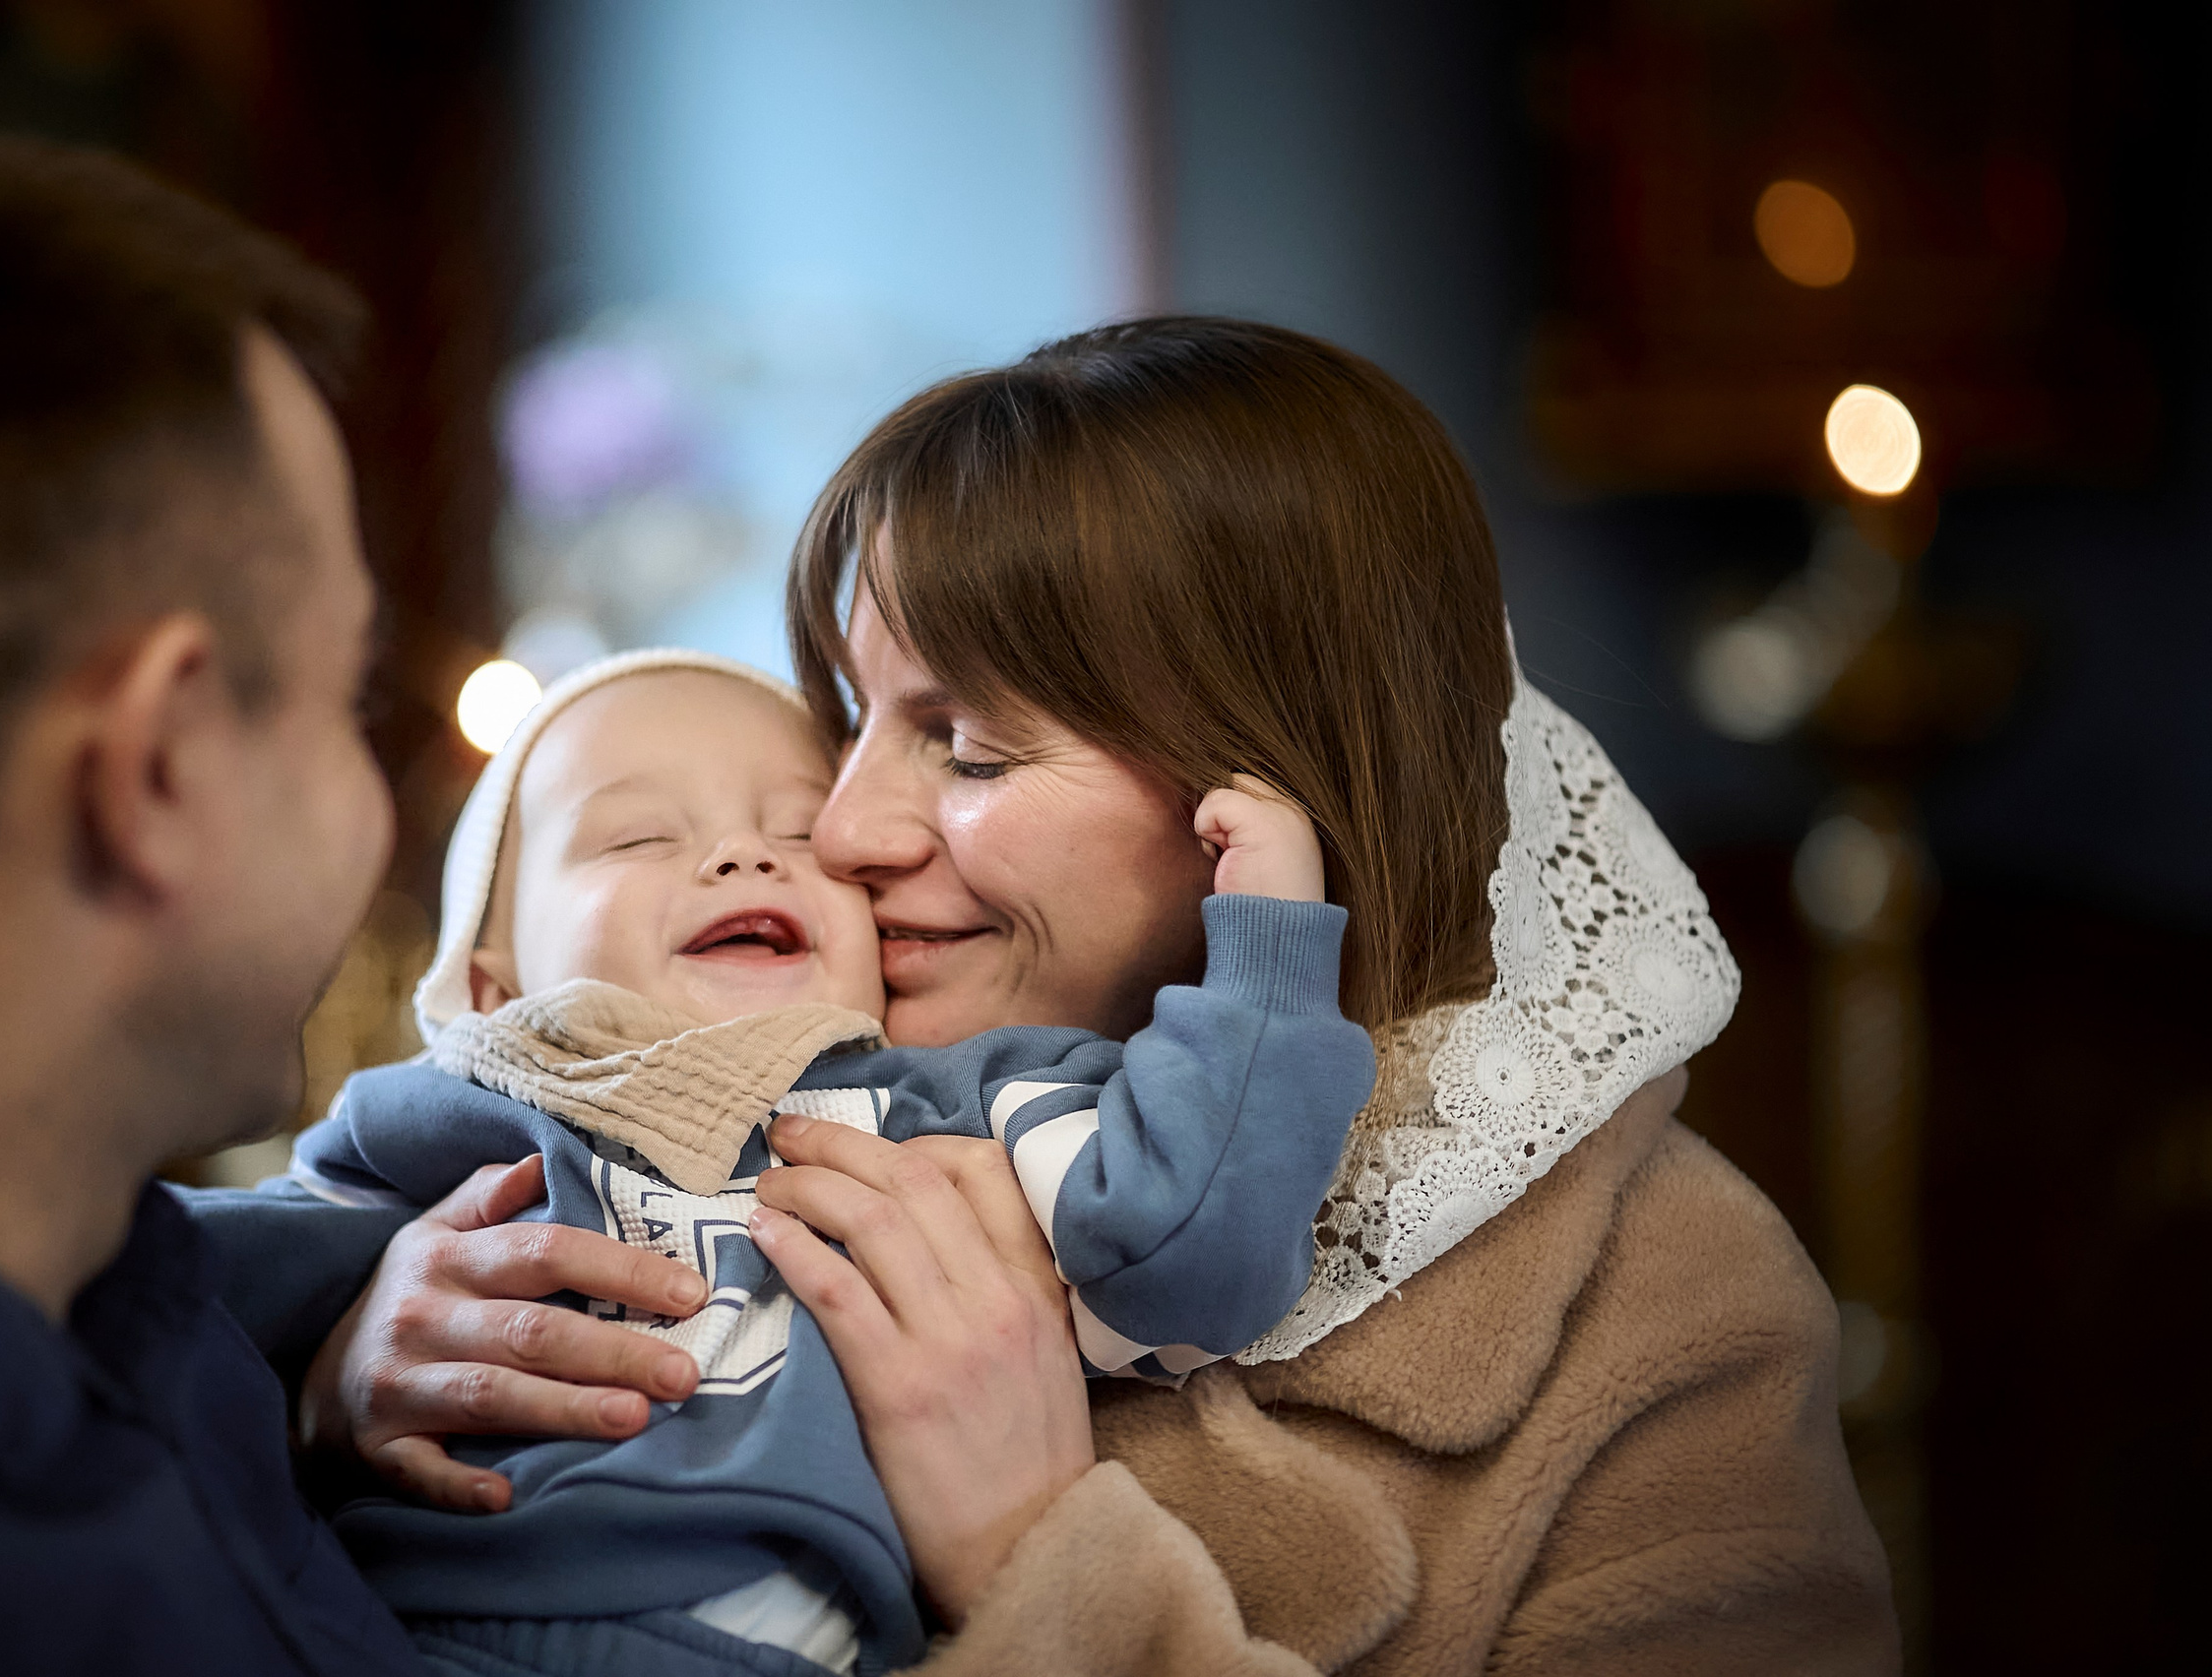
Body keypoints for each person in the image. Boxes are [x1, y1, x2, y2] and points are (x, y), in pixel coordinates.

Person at [273, 319, 1903, 1672]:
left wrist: (1042, 1558)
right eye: (848, 722)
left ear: (1265, 809)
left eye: (968, 748)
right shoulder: (701, 1114)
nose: (840, 830)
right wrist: (343, 1379)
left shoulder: (1657, 1308)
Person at [0, 130, 714, 1675]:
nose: (374, 807)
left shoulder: (82, 1248)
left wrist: (324, 1394)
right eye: (345, 698)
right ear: (158, 763)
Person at [268, 646, 1367, 1675]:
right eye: (638, 837)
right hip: (397, 1624)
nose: (743, 856)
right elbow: (164, 1300)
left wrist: (1266, 962)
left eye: (798, 834)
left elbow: (1191, 1249)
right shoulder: (452, 1116)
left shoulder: (957, 1106)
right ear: (490, 985)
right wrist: (326, 1378)